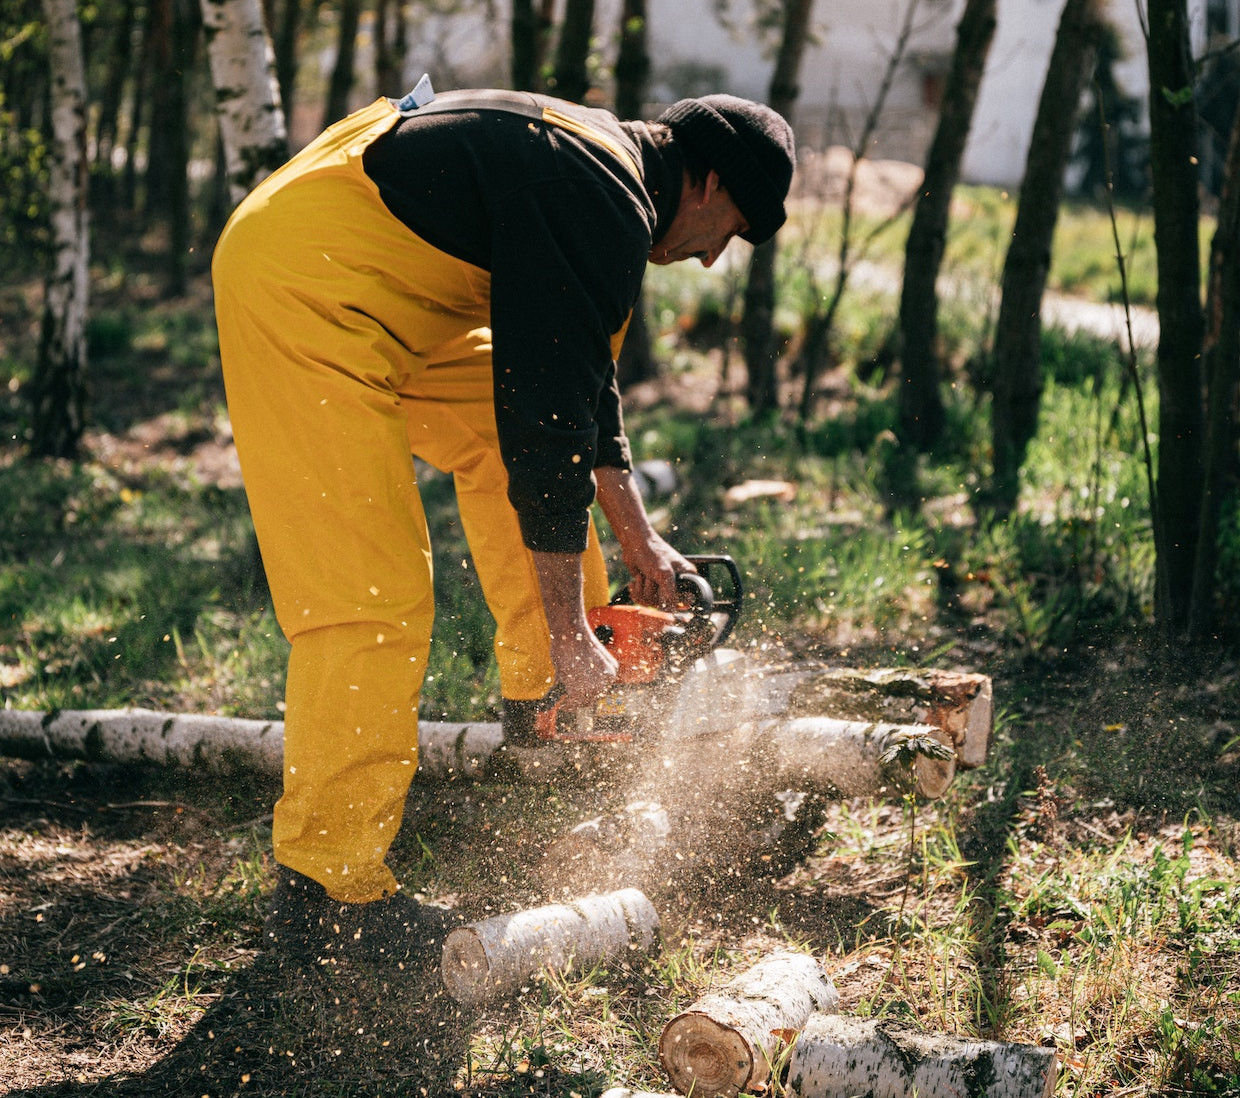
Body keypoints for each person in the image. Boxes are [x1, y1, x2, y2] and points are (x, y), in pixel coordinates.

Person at [211, 79, 795, 968]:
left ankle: (552, 701)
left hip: (373, 279)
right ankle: (326, 886)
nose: (717, 259)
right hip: (305, 290)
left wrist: (639, 536)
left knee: (500, 429)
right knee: (372, 598)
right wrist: (568, 620)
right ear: (711, 183)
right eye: (735, 232)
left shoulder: (609, 177)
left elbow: (580, 384)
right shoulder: (599, 197)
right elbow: (546, 427)